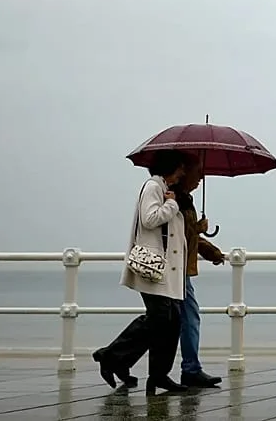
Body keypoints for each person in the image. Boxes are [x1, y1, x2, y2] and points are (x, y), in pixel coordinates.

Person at [92, 150, 193, 395]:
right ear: (171, 166)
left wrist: (181, 208)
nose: (183, 173)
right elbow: (150, 219)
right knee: (160, 319)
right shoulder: (153, 187)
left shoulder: (168, 191)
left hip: (168, 273)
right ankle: (114, 357)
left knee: (171, 321)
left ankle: (150, 371)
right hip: (153, 268)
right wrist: (171, 204)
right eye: (181, 168)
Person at [174, 183, 227, 387]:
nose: (198, 180)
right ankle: (190, 370)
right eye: (196, 172)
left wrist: (210, 251)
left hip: (180, 269)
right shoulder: (175, 199)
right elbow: (179, 236)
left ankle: (115, 355)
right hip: (175, 268)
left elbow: (189, 237)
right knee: (187, 318)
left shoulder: (184, 199)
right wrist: (199, 228)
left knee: (169, 319)